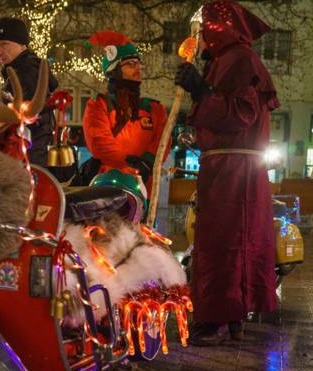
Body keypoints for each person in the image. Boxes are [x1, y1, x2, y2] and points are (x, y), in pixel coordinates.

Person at [174, 0, 279, 345]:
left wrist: (200, 91)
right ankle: (230, 314)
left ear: (217, 28)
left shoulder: (240, 60)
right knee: (222, 240)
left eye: (203, 29)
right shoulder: (225, 60)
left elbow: (240, 115)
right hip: (226, 167)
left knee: (224, 242)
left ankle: (219, 317)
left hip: (235, 172)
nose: (199, 37)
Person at [81, 31, 168, 192]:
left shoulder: (155, 109)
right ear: (114, 70)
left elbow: (163, 140)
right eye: (130, 64)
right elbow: (100, 144)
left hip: (144, 188)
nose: (138, 68)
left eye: (138, 63)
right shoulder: (98, 106)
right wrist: (131, 166)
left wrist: (148, 162)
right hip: (108, 185)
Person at [0, 17, 58, 167]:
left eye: (4, 44)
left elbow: (26, 118)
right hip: (28, 152)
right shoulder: (19, 71)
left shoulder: (26, 73)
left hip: (26, 155)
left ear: (22, 44)